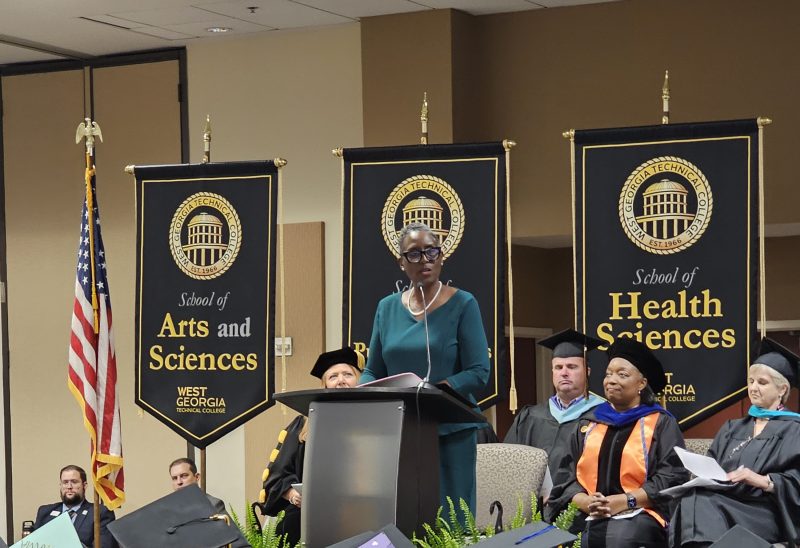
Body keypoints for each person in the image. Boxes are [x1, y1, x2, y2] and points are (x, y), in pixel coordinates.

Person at [360, 222, 491, 520]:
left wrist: (436, 390)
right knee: (403, 516)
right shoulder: (387, 308)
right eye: (415, 254)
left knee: (449, 521)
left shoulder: (463, 303)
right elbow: (372, 369)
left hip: (450, 431)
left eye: (432, 252)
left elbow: (479, 371)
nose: (426, 260)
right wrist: (362, 392)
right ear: (401, 262)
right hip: (401, 430)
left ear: (442, 256)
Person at [545, 337, 688, 547]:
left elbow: (671, 478)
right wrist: (585, 502)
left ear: (642, 383)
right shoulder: (588, 423)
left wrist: (624, 501)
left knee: (621, 537)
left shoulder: (660, 423)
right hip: (586, 511)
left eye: (622, 375)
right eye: (608, 374)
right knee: (560, 535)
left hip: (640, 512)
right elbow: (564, 476)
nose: (611, 380)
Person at [669, 337, 800, 547]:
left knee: (701, 505)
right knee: (692, 498)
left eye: (762, 382)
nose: (753, 388)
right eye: (750, 381)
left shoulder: (795, 429)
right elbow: (711, 466)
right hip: (723, 503)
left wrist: (763, 480)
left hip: (764, 512)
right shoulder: (733, 427)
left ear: (782, 390)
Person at [256, 347, 363, 546]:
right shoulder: (303, 425)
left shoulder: (376, 421)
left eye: (348, 374)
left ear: (359, 380)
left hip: (358, 515)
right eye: (333, 376)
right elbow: (277, 475)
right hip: (304, 518)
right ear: (324, 384)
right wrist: (291, 493)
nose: (341, 380)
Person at [503, 328, 605, 494]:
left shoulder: (602, 417)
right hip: (532, 508)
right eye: (558, 367)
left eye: (572, 367)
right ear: (552, 372)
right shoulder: (530, 417)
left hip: (580, 509)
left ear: (587, 372)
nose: (564, 373)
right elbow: (508, 462)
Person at [168, 457, 250, 548]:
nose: (179, 482)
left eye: (184, 476)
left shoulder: (213, 504)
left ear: (197, 477)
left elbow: (240, 545)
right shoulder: (168, 510)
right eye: (174, 478)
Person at [33, 464, 118, 548]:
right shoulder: (45, 512)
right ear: (61, 486)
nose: (69, 487)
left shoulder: (99, 513)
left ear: (84, 485)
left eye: (74, 482)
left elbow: (104, 546)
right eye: (65, 482)